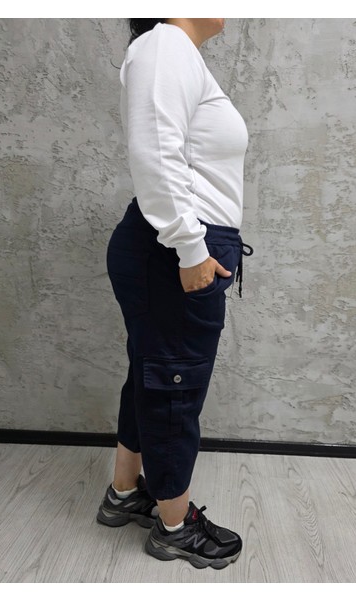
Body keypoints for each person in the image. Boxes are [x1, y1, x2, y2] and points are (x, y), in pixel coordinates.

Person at [96, 18, 253, 570]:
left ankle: (123, 494)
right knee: (173, 385)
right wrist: (191, 249)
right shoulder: (165, 44)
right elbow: (156, 155)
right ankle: (173, 526)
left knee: (156, 373)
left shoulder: (175, 52)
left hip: (179, 247)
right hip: (175, 251)